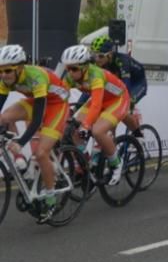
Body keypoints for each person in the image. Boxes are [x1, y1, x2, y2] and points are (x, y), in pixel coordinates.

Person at [0, 45, 70, 222]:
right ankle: (22, 163)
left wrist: (21, 142)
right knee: (4, 117)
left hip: (57, 104)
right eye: (0, 70)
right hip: (36, 100)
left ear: (20, 67)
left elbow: (37, 120)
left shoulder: (36, 77)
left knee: (40, 153)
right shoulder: (4, 79)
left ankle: (51, 197)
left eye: (8, 70)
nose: (3, 74)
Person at [61, 44, 130, 186]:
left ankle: (116, 163)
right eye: (67, 68)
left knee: (97, 131)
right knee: (73, 128)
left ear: (85, 66)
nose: (70, 73)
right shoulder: (69, 77)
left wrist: (86, 126)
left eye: (74, 68)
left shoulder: (96, 75)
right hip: (101, 99)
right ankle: (84, 162)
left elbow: (96, 105)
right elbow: (61, 100)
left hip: (117, 99)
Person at [90, 35, 147, 135]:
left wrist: (126, 103)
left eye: (100, 56)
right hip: (120, 84)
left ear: (110, 54)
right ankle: (112, 138)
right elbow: (93, 88)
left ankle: (138, 136)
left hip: (136, 83)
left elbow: (126, 85)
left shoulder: (122, 61)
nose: (97, 59)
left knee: (123, 107)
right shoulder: (99, 64)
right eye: (94, 55)